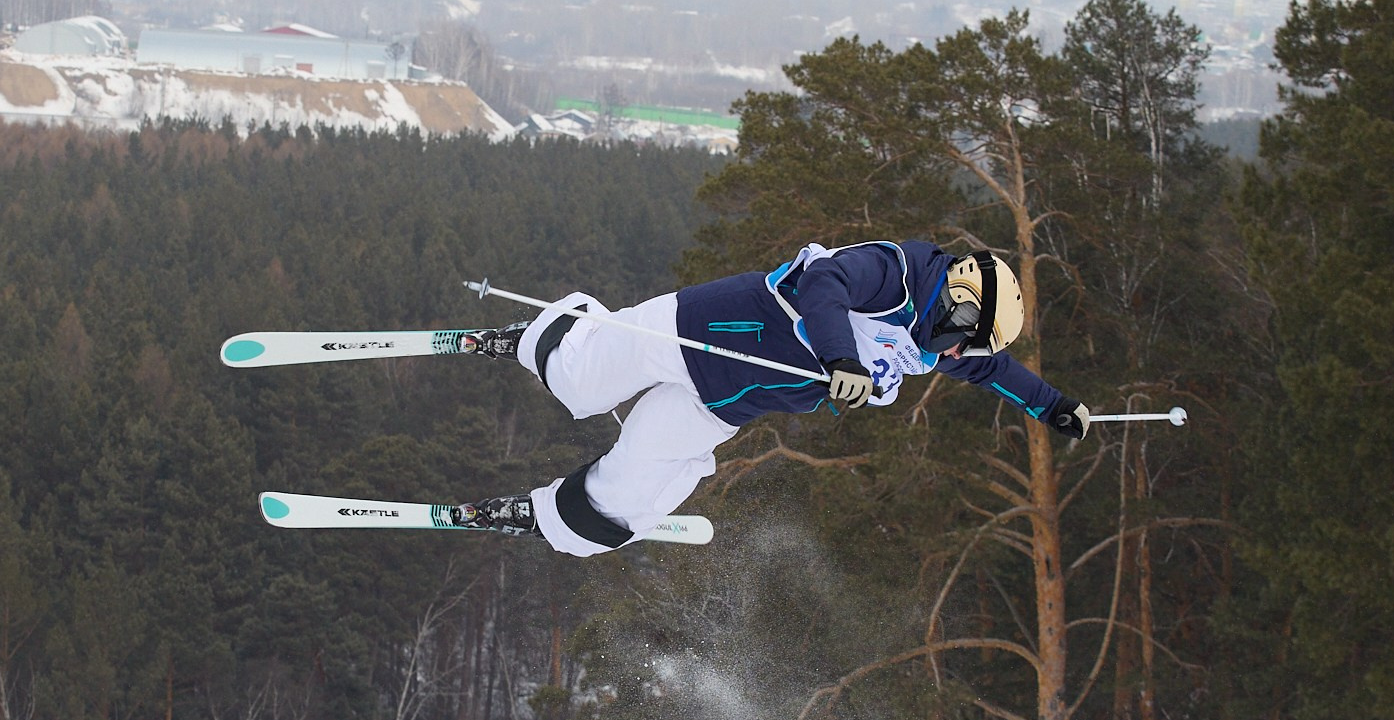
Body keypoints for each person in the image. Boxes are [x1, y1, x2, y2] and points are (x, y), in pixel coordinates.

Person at [448, 238, 1089, 556]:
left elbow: (989, 371)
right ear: (956, 303)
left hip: (727, 401)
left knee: (627, 488)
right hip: (698, 330)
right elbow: (826, 283)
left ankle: (541, 516)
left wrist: (1050, 403)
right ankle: (552, 332)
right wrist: (840, 356)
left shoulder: (928, 342)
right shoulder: (894, 272)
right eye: (961, 341)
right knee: (579, 382)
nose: (955, 356)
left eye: (964, 350)